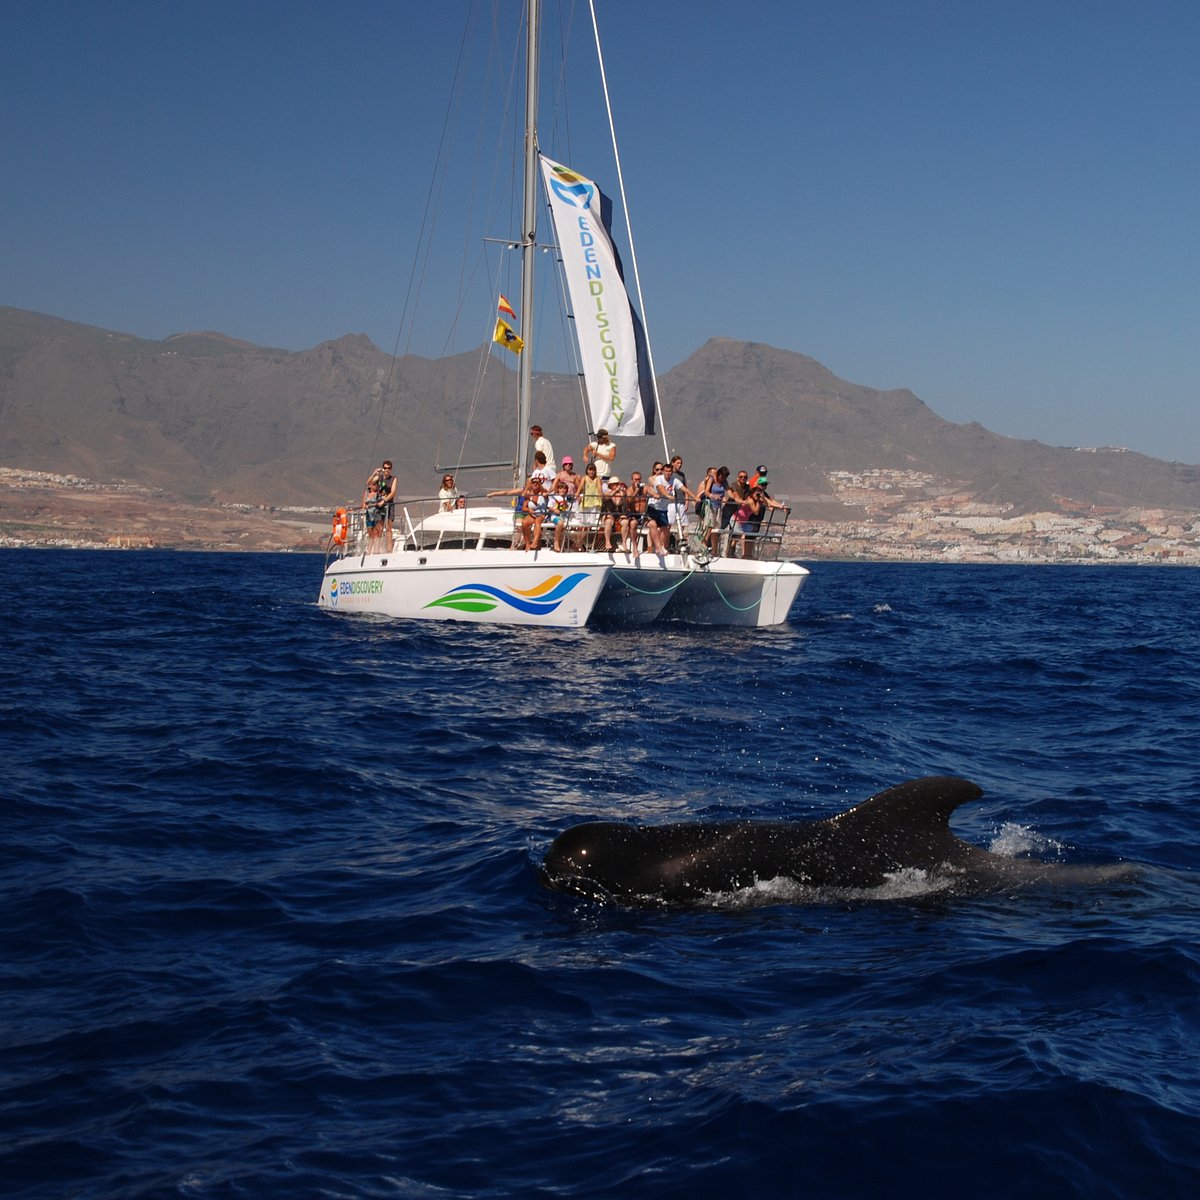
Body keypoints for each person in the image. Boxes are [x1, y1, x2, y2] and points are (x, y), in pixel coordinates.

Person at [644, 461, 673, 554]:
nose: (659, 471)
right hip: (653, 505)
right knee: (653, 526)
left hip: (662, 506)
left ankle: (661, 546)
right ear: (654, 470)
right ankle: (650, 547)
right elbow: (656, 485)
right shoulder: (652, 478)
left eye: (661, 469)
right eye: (657, 469)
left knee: (663, 527)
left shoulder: (664, 479)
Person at [368, 459, 398, 547]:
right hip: (379, 506)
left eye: (389, 468)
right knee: (379, 528)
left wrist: (384, 501)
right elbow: (369, 483)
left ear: (391, 469)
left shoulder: (393, 479)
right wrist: (374, 473)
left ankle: (389, 549)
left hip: (389, 505)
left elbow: (393, 492)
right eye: (385, 468)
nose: (387, 470)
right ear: (382, 468)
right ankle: (378, 549)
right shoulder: (379, 477)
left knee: (389, 528)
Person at [623, 470, 647, 554]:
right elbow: (629, 501)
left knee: (653, 524)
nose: (638, 481)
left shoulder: (645, 489)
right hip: (634, 515)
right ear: (632, 481)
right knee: (633, 524)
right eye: (635, 479)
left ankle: (657, 547)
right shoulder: (629, 490)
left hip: (644, 515)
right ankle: (635, 546)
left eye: (639, 479)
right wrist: (636, 491)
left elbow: (651, 492)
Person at [362, 476, 385, 552]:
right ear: (371, 485)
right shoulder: (366, 493)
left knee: (377, 532)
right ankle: (369, 550)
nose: (377, 486)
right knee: (370, 533)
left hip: (376, 513)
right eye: (375, 484)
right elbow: (363, 504)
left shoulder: (378, 494)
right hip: (369, 514)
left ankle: (376, 550)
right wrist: (365, 506)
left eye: (377, 484)